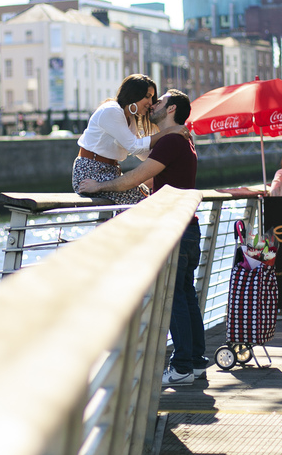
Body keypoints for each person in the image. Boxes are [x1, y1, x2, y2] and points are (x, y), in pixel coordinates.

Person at [77, 90, 207, 387]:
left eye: (159, 102)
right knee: (186, 296)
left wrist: (99, 186)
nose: (154, 106)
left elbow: (137, 177)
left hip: (175, 228)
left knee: (174, 298)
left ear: (171, 109)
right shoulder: (182, 142)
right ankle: (197, 362)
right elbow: (152, 179)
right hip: (189, 225)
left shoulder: (172, 141)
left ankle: (182, 366)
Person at [72, 74, 188, 204]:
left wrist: (167, 159)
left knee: (144, 193)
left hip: (109, 171)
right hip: (90, 172)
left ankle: (113, 224)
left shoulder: (129, 118)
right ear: (134, 94)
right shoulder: (112, 111)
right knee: (142, 200)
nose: (151, 103)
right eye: (147, 97)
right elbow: (135, 147)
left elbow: (143, 153)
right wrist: (168, 131)